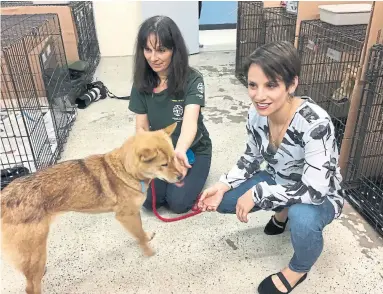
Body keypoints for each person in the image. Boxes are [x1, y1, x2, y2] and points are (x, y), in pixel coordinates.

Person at [198, 41, 344, 294]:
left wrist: (259, 194)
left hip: (320, 195)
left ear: (292, 84)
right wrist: (223, 185)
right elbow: (251, 157)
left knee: (304, 219)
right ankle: (282, 209)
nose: (259, 95)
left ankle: (298, 268)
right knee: (222, 200)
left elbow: (316, 190)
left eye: (271, 85)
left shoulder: (315, 123)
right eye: (253, 85)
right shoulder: (257, 114)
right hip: (280, 179)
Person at [128, 15, 212, 214]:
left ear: (175, 50)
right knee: (150, 203)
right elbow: (141, 127)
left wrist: (179, 152)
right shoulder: (141, 82)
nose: (153, 57)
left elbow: (190, 123)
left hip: (190, 150)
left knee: (178, 204)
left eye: (161, 50)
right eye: (148, 49)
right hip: (161, 153)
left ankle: (200, 167)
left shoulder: (193, 79)